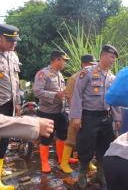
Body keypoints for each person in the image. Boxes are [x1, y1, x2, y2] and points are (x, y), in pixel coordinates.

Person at [69, 44, 121, 189]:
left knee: (105, 147)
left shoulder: (112, 77)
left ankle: (100, 173)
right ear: (103, 56)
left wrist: (117, 118)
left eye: (114, 59)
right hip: (88, 116)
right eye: (111, 57)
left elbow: (114, 99)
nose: (113, 61)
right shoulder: (87, 72)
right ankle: (83, 174)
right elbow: (77, 94)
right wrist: (76, 116)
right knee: (85, 146)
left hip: (106, 117)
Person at [33, 50, 73, 173]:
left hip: (60, 111)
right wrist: (56, 95)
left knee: (62, 135)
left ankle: (61, 159)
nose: (65, 63)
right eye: (63, 61)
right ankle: (44, 163)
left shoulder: (59, 74)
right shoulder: (43, 74)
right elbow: (37, 92)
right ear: (56, 60)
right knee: (46, 138)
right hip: (47, 112)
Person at [60, 54, 97, 173]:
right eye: (90, 64)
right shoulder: (74, 78)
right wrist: (77, 115)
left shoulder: (94, 76)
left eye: (93, 64)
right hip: (77, 114)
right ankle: (64, 163)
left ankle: (87, 162)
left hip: (90, 114)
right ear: (83, 64)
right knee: (71, 139)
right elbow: (71, 99)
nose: (92, 66)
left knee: (88, 140)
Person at [0, 23, 22, 190]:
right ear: (0, 38)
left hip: (10, 104)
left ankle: (0, 172)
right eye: (10, 41)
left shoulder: (12, 56)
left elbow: (15, 81)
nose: (14, 44)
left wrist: (18, 104)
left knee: (4, 139)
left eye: (15, 41)